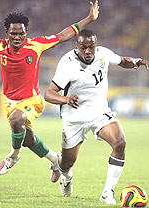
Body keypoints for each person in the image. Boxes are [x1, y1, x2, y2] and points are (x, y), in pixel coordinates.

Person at [44, 29, 149, 204]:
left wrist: (136, 62)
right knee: (67, 163)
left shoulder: (103, 55)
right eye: (83, 47)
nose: (87, 51)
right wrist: (66, 99)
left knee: (120, 143)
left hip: (99, 112)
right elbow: (49, 93)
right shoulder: (67, 63)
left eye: (91, 47)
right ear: (77, 46)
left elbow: (122, 61)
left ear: (96, 45)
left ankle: (107, 192)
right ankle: (62, 169)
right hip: (74, 117)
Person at [0, 1, 99, 180]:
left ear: (26, 33)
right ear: (7, 33)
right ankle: (55, 159)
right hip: (9, 102)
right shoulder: (0, 48)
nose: (17, 37)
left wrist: (90, 19)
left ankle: (13, 157)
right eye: (13, 33)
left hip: (32, 101)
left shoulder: (36, 45)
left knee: (17, 119)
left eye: (21, 33)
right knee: (29, 140)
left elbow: (64, 35)